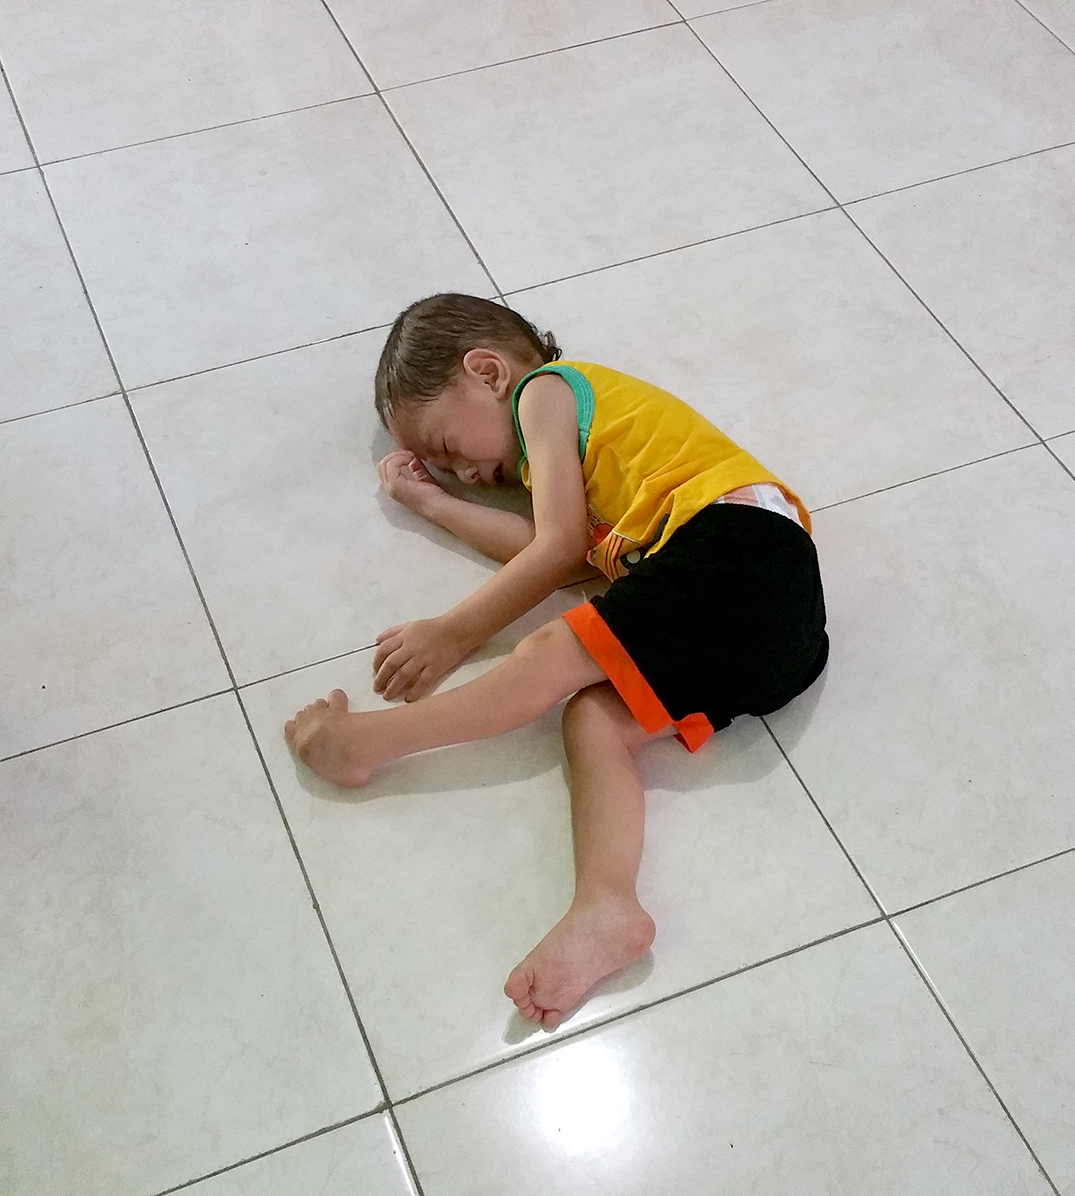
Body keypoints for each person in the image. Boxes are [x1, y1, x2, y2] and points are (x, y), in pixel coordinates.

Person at [285, 293, 828, 1029]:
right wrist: (433, 504)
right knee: (594, 718)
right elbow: (561, 553)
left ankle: (368, 743)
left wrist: (453, 632)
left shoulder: (547, 392)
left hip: (746, 547)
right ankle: (607, 904)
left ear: (488, 373)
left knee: (552, 650)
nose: (459, 473)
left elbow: (555, 547)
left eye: (446, 445)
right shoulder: (570, 467)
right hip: (772, 641)